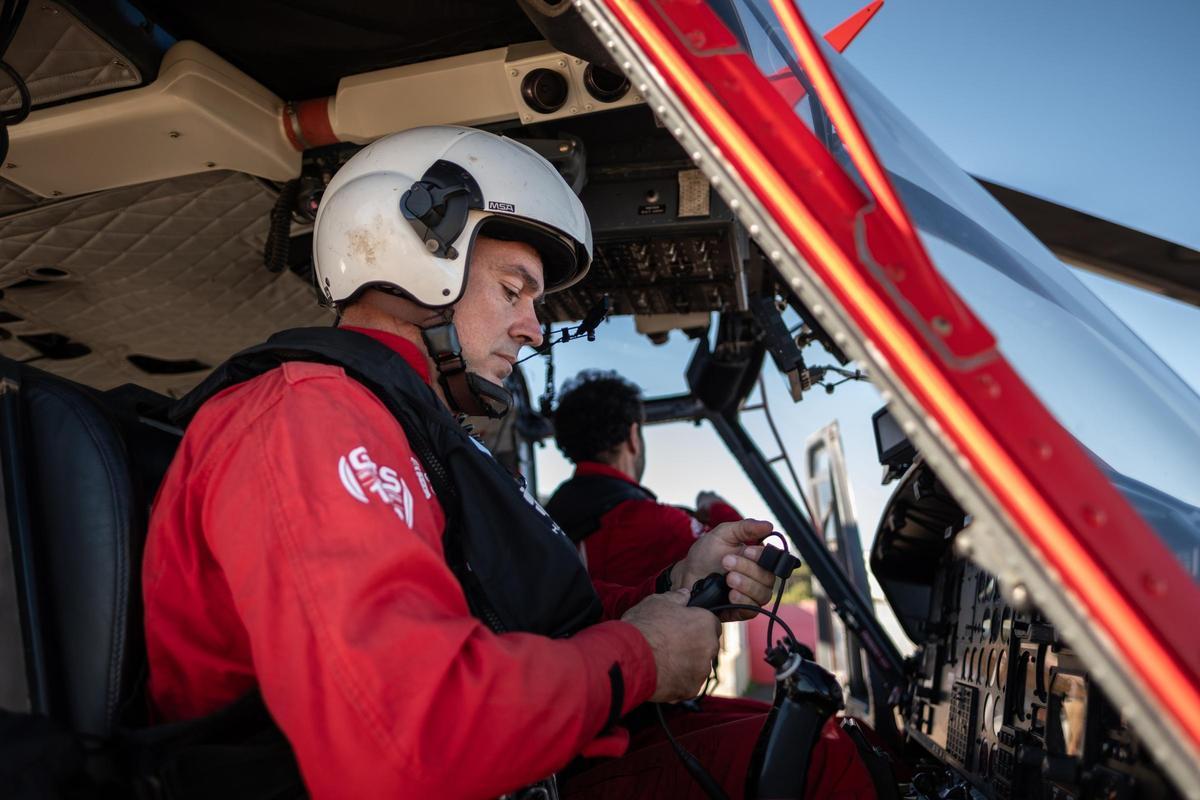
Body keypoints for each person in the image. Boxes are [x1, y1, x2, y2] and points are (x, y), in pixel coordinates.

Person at [140, 125, 788, 799]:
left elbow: (510, 614)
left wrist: (677, 587)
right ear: (414, 261)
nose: (534, 327)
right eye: (514, 291)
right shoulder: (310, 419)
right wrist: (641, 656)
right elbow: (403, 740)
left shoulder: (413, 433)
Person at [547, 371, 745, 588]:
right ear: (633, 436)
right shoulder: (660, 524)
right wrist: (713, 504)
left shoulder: (543, 519)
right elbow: (746, 554)